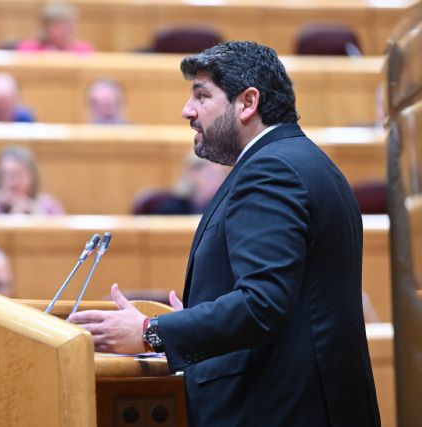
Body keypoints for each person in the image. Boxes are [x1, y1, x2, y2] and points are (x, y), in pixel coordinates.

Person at [69, 41, 380, 426]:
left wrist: (152, 332)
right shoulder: (304, 161)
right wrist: (198, 321)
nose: (188, 111)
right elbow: (290, 301)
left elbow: (261, 303)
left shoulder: (272, 172)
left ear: (248, 103)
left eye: (201, 95)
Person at [0, 146, 64, 215]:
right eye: (7, 175)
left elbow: (61, 235)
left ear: (33, 176)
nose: (13, 181)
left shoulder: (49, 205)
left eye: (19, 174)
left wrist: (33, 209)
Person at [153, 155, 229, 215]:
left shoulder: (223, 208)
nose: (217, 182)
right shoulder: (170, 209)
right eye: (211, 175)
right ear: (192, 173)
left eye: (221, 175)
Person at [16, 3, 94, 53]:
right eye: (58, 24)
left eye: (70, 23)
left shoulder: (83, 49)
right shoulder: (29, 48)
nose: (65, 29)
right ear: (45, 26)